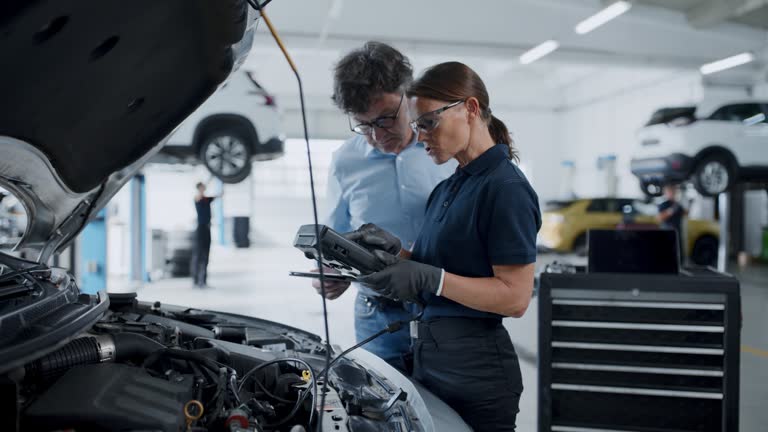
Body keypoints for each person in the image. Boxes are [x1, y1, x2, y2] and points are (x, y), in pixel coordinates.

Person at [354, 62, 541, 431]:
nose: (419, 136)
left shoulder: (506, 188)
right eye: (415, 126)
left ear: (469, 108)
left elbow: (515, 298)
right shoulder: (448, 187)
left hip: (476, 373)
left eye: (427, 122)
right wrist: (393, 254)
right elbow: (434, 268)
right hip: (430, 360)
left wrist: (430, 278)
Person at [310, 42, 455, 371]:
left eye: (386, 118)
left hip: (446, 309)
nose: (377, 135)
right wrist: (329, 273)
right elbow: (336, 239)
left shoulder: (447, 150)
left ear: (409, 95)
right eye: (364, 125)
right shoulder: (345, 161)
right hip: (377, 316)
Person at [192, 181, 218, 288]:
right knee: (199, 255)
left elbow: (216, 196)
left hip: (207, 229)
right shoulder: (198, 198)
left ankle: (204, 281)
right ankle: (196, 281)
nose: (204, 189)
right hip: (201, 229)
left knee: (206, 255)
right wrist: (202, 190)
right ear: (199, 188)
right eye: (202, 187)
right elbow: (200, 198)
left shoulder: (207, 199)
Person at [657, 184, 688, 262]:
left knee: (678, 254)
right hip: (667, 233)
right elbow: (660, 218)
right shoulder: (663, 205)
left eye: (674, 192)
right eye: (670, 192)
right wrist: (670, 211)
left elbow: (685, 213)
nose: (672, 193)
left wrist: (687, 202)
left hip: (677, 233)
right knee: (666, 253)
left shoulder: (678, 205)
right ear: (666, 193)